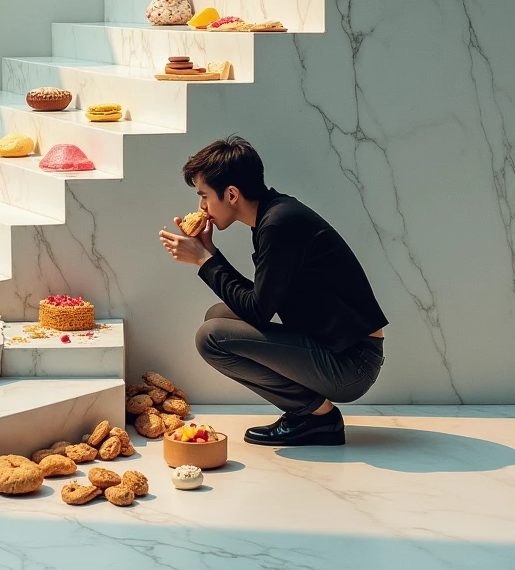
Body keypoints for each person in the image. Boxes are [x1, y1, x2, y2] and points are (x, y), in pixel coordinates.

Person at [159, 136, 387, 446]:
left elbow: (259, 309)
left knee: (211, 338)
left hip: (351, 363)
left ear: (231, 194)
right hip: (336, 347)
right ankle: (311, 415)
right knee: (218, 316)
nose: (201, 207)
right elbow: (262, 302)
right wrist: (209, 253)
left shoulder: (279, 224)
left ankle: (318, 418)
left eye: (204, 196)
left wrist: (203, 261)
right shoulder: (272, 215)